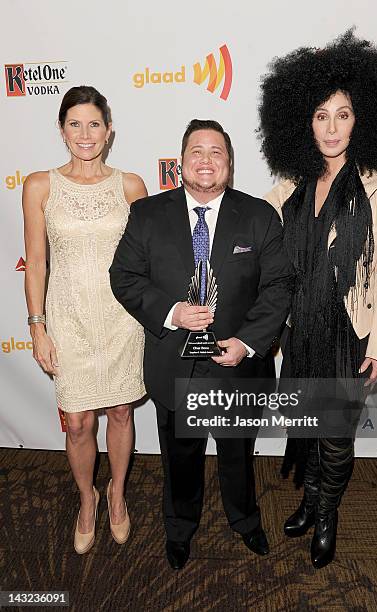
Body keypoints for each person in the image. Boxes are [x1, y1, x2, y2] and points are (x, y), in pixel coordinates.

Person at [259, 30, 377, 568]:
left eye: (342, 115)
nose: (330, 128)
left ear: (361, 118)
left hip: (350, 329)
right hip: (301, 329)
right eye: (320, 115)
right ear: (303, 121)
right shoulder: (291, 184)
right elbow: (255, 229)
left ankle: (327, 513)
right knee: (305, 418)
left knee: (335, 433)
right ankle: (308, 497)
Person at [110, 119, 294, 569]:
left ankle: (246, 520)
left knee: (238, 455)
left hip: (237, 366)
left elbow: (279, 285)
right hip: (175, 363)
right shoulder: (148, 214)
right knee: (179, 457)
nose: (206, 160)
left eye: (217, 152)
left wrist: (248, 343)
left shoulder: (258, 215)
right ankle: (179, 529)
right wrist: (170, 312)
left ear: (229, 164)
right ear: (180, 162)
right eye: (197, 151)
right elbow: (124, 276)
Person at [23, 86, 147, 554]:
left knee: (119, 410)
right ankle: (86, 497)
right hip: (68, 319)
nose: (85, 133)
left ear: (109, 129)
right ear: (61, 130)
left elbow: (147, 259)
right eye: (74, 124)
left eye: (94, 123)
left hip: (121, 319)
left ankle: (116, 493)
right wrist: (37, 327)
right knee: (76, 422)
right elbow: (36, 263)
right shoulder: (40, 185)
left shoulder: (131, 185)